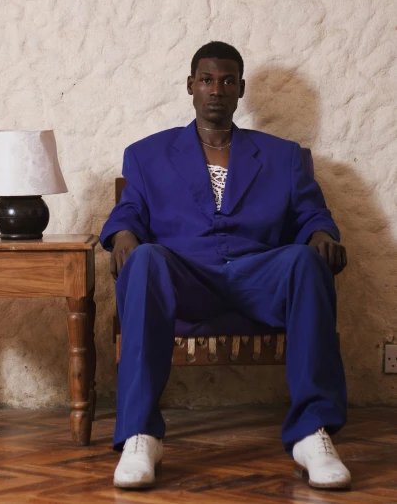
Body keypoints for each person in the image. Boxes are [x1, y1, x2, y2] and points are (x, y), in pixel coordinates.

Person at [100, 41, 350, 491]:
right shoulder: (148, 154)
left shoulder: (283, 155)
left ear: (241, 90)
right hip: (187, 277)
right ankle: (140, 434)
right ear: (190, 86)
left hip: (259, 275)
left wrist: (321, 236)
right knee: (145, 261)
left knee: (304, 262)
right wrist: (122, 236)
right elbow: (130, 209)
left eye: (228, 81)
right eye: (207, 80)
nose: (217, 89)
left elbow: (311, 213)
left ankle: (312, 433)